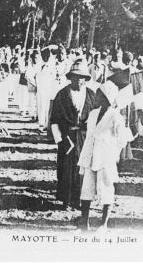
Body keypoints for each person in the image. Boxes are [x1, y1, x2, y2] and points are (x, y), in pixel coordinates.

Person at [77, 81, 134, 231]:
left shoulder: (116, 116)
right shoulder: (93, 113)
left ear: (107, 97)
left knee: (106, 188)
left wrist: (112, 153)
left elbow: (122, 140)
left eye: (100, 95)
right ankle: (84, 223)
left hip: (105, 156)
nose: (96, 97)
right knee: (86, 188)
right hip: (90, 154)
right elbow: (89, 133)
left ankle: (104, 224)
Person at [50, 58, 95, 209]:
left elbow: (96, 116)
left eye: (82, 77)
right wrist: (60, 140)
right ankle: (66, 200)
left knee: (82, 169)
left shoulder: (91, 95)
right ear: (70, 78)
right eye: (76, 77)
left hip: (84, 137)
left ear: (86, 79)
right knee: (66, 168)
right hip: (67, 137)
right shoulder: (62, 95)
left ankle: (80, 200)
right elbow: (54, 120)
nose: (79, 81)